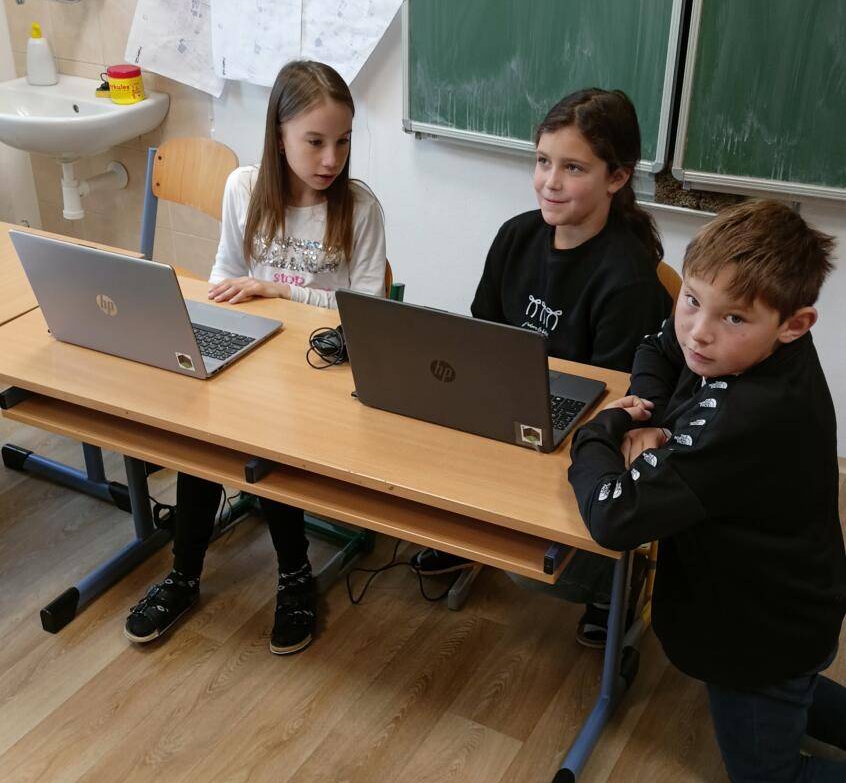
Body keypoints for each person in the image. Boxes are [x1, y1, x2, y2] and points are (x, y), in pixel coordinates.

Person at [569, 199, 846, 783]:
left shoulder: (747, 418)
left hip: (763, 631)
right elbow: (658, 344)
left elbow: (613, 517)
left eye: (733, 318)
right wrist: (648, 411)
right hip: (785, 603)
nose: (698, 332)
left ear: (795, 324)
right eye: (691, 300)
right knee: (792, 693)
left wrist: (601, 431)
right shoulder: (741, 348)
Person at [124, 59, 386, 656]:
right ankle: (184, 575)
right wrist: (228, 309)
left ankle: (294, 576)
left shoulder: (359, 208)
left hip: (322, 370)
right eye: (315, 142)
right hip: (255, 353)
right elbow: (224, 277)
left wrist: (280, 290)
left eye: (343, 141)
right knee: (198, 433)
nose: (331, 159)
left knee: (266, 438)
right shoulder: (244, 187)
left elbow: (367, 313)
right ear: (279, 135)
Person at [413, 87, 670, 645]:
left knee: (531, 569)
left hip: (585, 431)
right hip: (510, 403)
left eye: (573, 168)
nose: (549, 181)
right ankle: (472, 530)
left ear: (617, 177)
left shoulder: (626, 278)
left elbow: (617, 400)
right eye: (542, 161)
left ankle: (612, 582)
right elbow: (482, 333)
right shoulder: (517, 236)